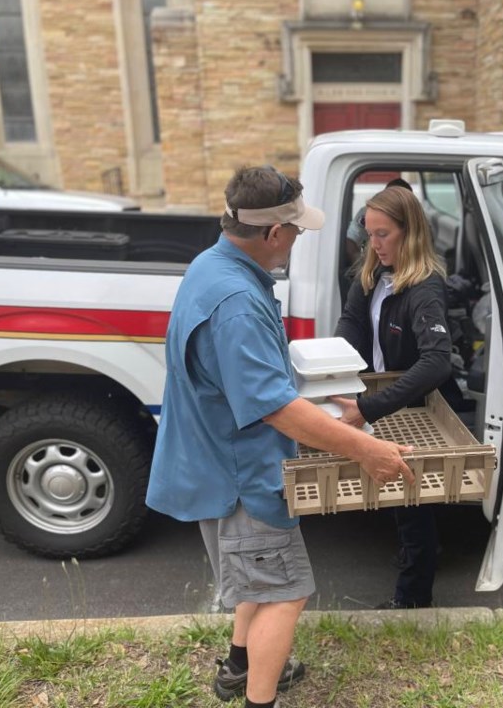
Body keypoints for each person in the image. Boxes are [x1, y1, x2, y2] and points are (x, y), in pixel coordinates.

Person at [146, 165, 415, 708]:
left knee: (258, 582)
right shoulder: (238, 304)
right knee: (286, 593)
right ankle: (258, 699)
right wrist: (367, 448)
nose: (298, 239)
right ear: (273, 233)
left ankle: (239, 667)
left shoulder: (213, 266)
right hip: (241, 475)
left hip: (215, 459)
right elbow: (273, 408)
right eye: (295, 230)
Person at [332, 184, 453, 610]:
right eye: (369, 233)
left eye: (383, 234)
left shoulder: (424, 288)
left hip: (415, 407)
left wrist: (367, 407)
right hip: (382, 398)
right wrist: (333, 369)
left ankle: (413, 600)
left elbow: (438, 362)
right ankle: (417, 558)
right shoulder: (370, 274)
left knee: (411, 501)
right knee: (402, 501)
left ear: (410, 232)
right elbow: (351, 322)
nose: (374, 243)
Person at [344, 177, 413, 267]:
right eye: (370, 234)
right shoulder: (368, 213)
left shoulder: (415, 218)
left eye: (382, 234)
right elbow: (350, 242)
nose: (374, 245)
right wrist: (362, 269)